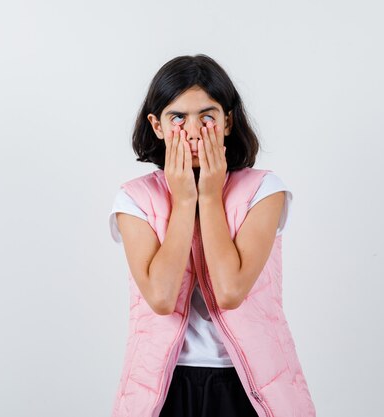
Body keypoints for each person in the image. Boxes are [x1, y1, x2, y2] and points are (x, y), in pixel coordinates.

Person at [108, 54, 316, 417]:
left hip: (247, 386)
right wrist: (185, 199)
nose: (192, 131)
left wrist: (209, 194)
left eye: (207, 116)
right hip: (166, 386)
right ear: (156, 125)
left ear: (227, 122)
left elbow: (230, 291)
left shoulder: (264, 190)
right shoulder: (134, 198)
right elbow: (161, 297)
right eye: (178, 117)